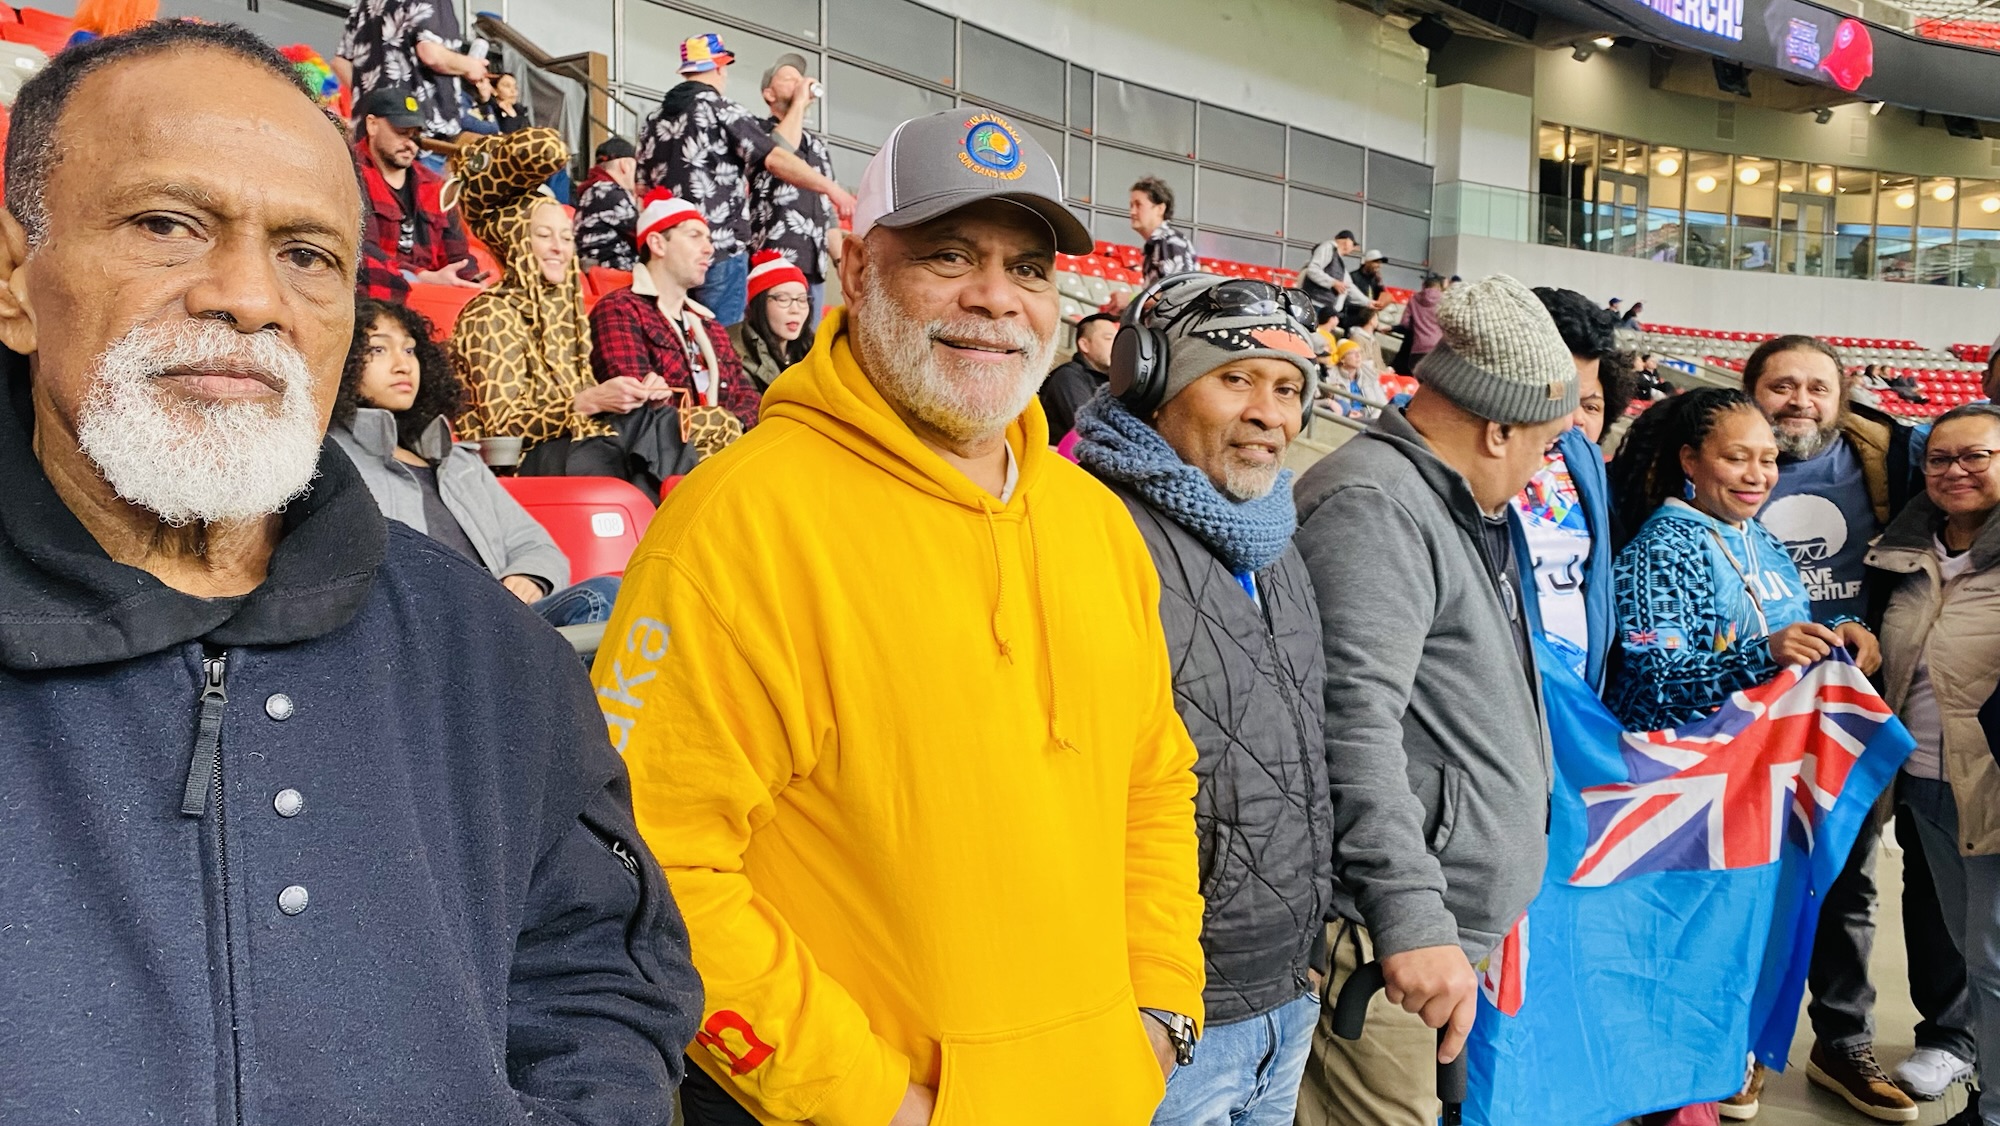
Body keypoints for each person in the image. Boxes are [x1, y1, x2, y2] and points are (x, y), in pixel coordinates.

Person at [0, 22, 700, 1121]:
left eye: (308, 255)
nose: (250, 297)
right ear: (13, 276)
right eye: (169, 225)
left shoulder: (495, 659)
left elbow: (598, 982)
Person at [593, 108, 1205, 1126]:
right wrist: (877, 1103)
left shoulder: (1094, 525)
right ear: (854, 265)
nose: (993, 300)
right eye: (947, 255)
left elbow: (1152, 782)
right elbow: (656, 868)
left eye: (1028, 269)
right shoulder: (735, 525)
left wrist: (1158, 1011)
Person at [1293, 274, 1579, 1126]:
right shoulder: (1375, 505)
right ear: (1498, 429)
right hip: (1382, 945)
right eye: (1546, 444)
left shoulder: (1450, 505)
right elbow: (1349, 726)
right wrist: (1413, 916)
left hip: (1424, 938)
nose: (1543, 469)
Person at [1070, 273, 1329, 1126]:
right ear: (1150, 382)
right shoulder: (1087, 527)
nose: (1269, 414)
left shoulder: (1278, 542)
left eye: (1288, 389)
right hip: (1165, 1016)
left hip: (1285, 999)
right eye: (1236, 379)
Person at [1729, 334, 1960, 1121]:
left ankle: (1841, 1038)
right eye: (1781, 385)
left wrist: (1870, 632)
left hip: (1845, 709)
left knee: (1846, 877)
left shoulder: (1891, 461)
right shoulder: (1709, 453)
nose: (1799, 402)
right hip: (1738, 708)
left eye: (1816, 388)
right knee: (1741, 874)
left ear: (1844, 392)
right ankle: (1740, 1046)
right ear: (1749, 388)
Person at [332, 299, 622, 626]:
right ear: (342, 359)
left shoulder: (460, 462)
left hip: (500, 623)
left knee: (620, 597)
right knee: (601, 599)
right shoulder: (331, 457)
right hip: (422, 635)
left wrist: (528, 578)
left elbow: (536, 545)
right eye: (379, 350)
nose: (403, 365)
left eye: (410, 350)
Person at [1607, 387, 1877, 733]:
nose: (1757, 476)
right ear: (1690, 461)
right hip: (1684, 769)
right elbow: (1654, 682)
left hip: (1763, 755)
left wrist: (1839, 631)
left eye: (1768, 459)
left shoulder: (1762, 538)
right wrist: (1765, 656)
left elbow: (1780, 630)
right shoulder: (1659, 551)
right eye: (1736, 458)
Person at [1872, 404, 2000, 1126]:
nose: (1956, 472)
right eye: (1941, 458)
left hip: (1992, 789)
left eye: (1976, 456)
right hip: (1923, 785)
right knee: (1971, 958)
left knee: (1995, 965)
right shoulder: (1899, 552)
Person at [635, 32, 855, 327]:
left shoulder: (654, 119)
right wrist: (832, 189)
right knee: (723, 340)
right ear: (721, 68)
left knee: (675, 334)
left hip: (668, 251)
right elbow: (775, 157)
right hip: (718, 248)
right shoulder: (721, 109)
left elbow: (640, 188)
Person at [449, 129, 631, 473]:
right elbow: (502, 429)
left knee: (672, 427)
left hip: (575, 446)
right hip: (520, 462)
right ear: (520, 243)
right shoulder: (491, 313)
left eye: (566, 237)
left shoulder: (567, 317)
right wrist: (581, 404)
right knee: (643, 445)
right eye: (544, 236)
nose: (559, 248)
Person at [1509, 287, 1618, 689]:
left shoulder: (1581, 454)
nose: (1573, 419)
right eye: (1560, 393)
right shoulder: (1467, 465)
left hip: (1577, 704)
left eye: (1586, 400)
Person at [590, 190, 760, 436]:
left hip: (722, 455)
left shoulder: (709, 325)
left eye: (709, 239)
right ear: (658, 243)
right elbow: (639, 408)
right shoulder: (620, 310)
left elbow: (750, 398)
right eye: (695, 236)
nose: (709, 249)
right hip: (661, 461)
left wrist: (727, 427)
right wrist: (720, 425)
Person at [351, 86, 485, 298]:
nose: (410, 144)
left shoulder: (434, 185)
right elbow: (363, 250)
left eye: (416, 135)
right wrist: (421, 277)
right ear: (372, 125)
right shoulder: (349, 173)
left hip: (431, 295)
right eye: (402, 132)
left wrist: (470, 280)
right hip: (373, 295)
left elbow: (458, 253)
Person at [750, 52, 837, 322]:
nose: (799, 83)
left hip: (813, 266)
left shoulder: (817, 146)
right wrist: (800, 100)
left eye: (801, 80)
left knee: (807, 349)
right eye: (789, 79)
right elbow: (781, 150)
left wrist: (841, 262)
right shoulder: (756, 130)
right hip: (775, 258)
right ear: (769, 94)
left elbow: (829, 211)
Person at [333, 0, 486, 140]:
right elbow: (430, 54)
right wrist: (471, 66)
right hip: (420, 133)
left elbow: (340, 63)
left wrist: (376, 103)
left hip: (373, 132)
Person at [727, 248, 812, 392]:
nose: (795, 309)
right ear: (759, 305)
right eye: (783, 299)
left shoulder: (811, 349)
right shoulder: (735, 352)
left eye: (802, 300)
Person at [1039, 311, 1117, 440]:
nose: (1116, 345)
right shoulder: (1068, 375)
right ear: (1084, 345)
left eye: (1118, 339)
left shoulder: (1112, 381)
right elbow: (1089, 427)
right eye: (1108, 338)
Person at [575, 136, 640, 272]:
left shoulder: (592, 190)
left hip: (598, 272)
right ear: (625, 166)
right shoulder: (610, 193)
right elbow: (642, 235)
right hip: (616, 277)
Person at [1132, 175, 1198, 286]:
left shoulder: (1170, 241)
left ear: (1160, 209)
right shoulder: (1155, 247)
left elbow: (1175, 295)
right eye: (1131, 205)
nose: (1132, 212)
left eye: (1138, 205)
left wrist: (1129, 299)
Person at [1298, 229, 1357, 322]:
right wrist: (1333, 283)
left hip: (1323, 308)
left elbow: (1349, 286)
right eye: (1353, 245)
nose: (1353, 248)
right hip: (1314, 303)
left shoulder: (1339, 263)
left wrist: (1368, 302)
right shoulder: (1328, 247)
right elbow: (1313, 270)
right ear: (1348, 241)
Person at [1390, 273, 1444, 375]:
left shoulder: (1414, 299)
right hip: (1437, 349)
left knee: (1416, 382)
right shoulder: (1444, 300)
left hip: (1418, 348)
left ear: (1424, 285)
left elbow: (1405, 323)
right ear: (1439, 286)